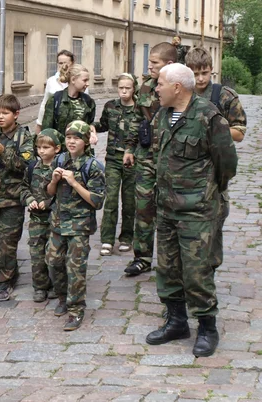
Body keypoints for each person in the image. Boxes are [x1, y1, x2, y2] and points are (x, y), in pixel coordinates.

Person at [145, 63, 237, 357]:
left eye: (160, 84)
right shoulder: (162, 115)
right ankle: (176, 322)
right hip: (167, 208)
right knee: (168, 269)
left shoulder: (209, 116)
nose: (155, 89)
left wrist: (208, 193)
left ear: (177, 88)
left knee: (197, 272)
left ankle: (207, 327)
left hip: (198, 210)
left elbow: (227, 165)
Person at [185, 47, 247, 271]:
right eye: (195, 73)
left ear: (212, 70)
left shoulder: (224, 95)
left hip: (214, 169)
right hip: (186, 170)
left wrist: (213, 128)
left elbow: (239, 132)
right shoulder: (181, 93)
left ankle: (209, 269)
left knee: (215, 221)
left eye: (205, 73)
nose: (200, 78)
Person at [123, 42, 176, 276]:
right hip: (146, 157)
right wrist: (129, 148)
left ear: (169, 64)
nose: (149, 66)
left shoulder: (180, 88)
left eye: (154, 62)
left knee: (170, 209)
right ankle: (142, 257)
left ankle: (171, 261)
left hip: (172, 159)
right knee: (143, 207)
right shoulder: (145, 88)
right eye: (150, 62)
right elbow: (136, 120)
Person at [46, 121, 105, 331]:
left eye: (77, 138)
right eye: (68, 137)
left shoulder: (93, 166)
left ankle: (76, 309)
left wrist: (74, 183)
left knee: (75, 268)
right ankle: (63, 297)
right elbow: (50, 192)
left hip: (79, 225)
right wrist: (53, 181)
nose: (71, 141)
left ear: (85, 141)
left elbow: (97, 201)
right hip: (58, 222)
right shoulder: (59, 159)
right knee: (53, 262)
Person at [0, 94, 35, 302]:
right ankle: (10, 272)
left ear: (16, 114)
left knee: (7, 242)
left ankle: (1, 284)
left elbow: (25, 165)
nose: (0, 117)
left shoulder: (23, 136)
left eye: (5, 113)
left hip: (13, 198)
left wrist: (4, 152)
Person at [93, 73, 139, 256]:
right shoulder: (110, 106)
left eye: (127, 88)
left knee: (129, 200)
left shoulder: (139, 109)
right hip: (112, 159)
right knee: (111, 199)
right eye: (121, 88)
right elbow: (103, 124)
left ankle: (127, 237)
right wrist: (90, 126)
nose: (124, 91)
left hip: (132, 160)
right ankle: (107, 239)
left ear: (133, 88)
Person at [20, 129, 60, 302]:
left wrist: (49, 202)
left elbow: (64, 194)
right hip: (36, 219)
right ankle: (40, 286)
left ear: (56, 149)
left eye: (46, 147)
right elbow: (23, 188)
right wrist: (29, 199)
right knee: (36, 254)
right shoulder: (32, 167)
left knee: (53, 254)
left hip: (54, 218)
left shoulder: (60, 168)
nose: (42, 151)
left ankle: (55, 284)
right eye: (39, 147)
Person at [41, 64, 97, 149]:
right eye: (85, 80)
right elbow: (46, 131)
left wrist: (92, 129)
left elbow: (90, 123)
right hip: (60, 154)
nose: (88, 84)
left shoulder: (88, 101)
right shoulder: (56, 100)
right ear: (73, 79)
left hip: (82, 154)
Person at [36, 50, 84, 134]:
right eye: (60, 63)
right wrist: (39, 124)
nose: (62, 66)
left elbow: (85, 104)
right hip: (55, 122)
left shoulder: (79, 81)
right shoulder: (51, 81)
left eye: (65, 63)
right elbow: (45, 103)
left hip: (74, 124)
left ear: (72, 63)